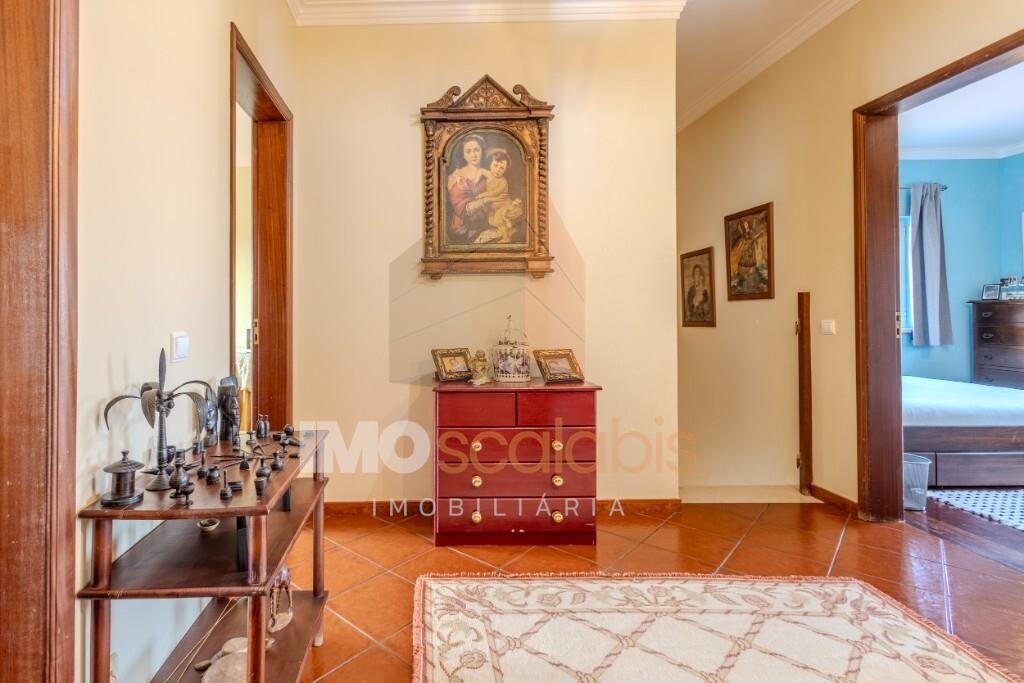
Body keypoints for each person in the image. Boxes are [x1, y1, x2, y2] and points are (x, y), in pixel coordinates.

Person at [446, 135, 490, 242]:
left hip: (487, 220)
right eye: (468, 152)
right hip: (463, 225)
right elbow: (458, 204)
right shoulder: (456, 177)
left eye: (477, 150)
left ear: (482, 151)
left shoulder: (489, 173)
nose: (473, 155)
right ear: (463, 155)